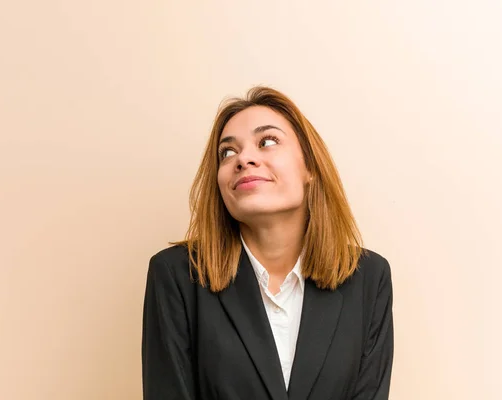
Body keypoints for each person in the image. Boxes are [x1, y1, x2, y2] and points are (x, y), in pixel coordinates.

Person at [141, 86, 394, 400]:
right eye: (227, 152)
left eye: (268, 142)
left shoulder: (368, 277)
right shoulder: (176, 274)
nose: (244, 158)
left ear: (310, 168)